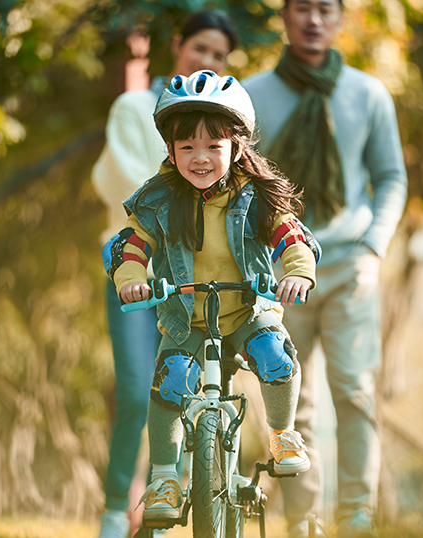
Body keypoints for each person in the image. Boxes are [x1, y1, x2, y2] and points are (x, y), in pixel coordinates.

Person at [104, 70, 319, 521]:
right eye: (187, 148)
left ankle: (282, 434)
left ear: (236, 147)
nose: (200, 158)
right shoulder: (157, 198)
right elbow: (131, 242)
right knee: (171, 379)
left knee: (275, 351)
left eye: (213, 147)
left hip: (247, 309)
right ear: (170, 149)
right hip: (187, 315)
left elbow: (292, 238)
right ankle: (164, 477)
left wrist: (297, 273)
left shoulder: (255, 196)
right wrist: (130, 277)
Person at [242, 1, 408, 537]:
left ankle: (357, 513)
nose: (314, 19)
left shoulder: (368, 94)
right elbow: (239, 183)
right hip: (277, 271)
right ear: (285, 17)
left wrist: (373, 249)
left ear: (341, 19)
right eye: (302, 8)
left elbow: (391, 178)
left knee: (355, 391)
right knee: (291, 398)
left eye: (325, 8)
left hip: (347, 267)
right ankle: (303, 518)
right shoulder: (252, 95)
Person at [91, 11, 240, 538]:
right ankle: (116, 510)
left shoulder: (223, 119)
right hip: (140, 273)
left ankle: (179, 501)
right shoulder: (134, 108)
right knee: (137, 390)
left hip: (199, 276)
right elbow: (132, 190)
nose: (207, 60)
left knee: (193, 390)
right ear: (178, 45)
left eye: (219, 56)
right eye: (200, 47)